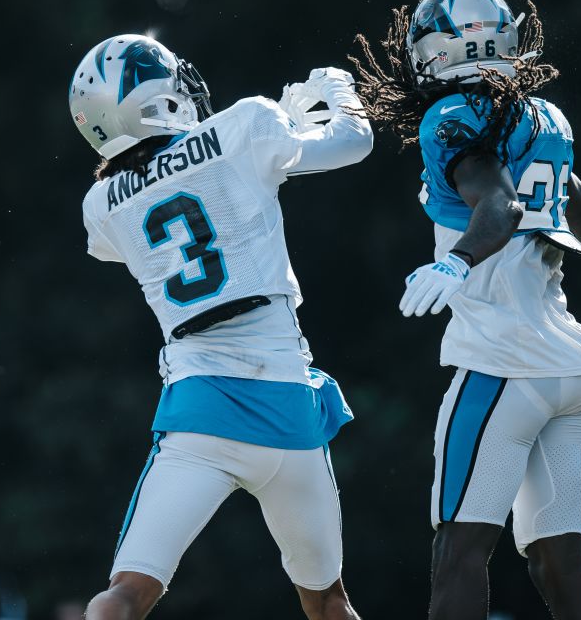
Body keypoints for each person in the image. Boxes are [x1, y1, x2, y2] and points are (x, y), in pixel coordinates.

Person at [349, 0, 581, 620]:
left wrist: (456, 260)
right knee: (562, 562)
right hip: (575, 368)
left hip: (504, 364)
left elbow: (500, 203)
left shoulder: (450, 117)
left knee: (459, 552)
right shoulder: (543, 115)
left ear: (432, 53)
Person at [68, 33, 373, 620]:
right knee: (329, 603)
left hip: (201, 412)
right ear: (158, 98)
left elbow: (174, 187)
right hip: (289, 409)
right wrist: (339, 95)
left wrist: (268, 132)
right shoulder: (247, 125)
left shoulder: (101, 206)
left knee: (127, 594)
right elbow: (351, 143)